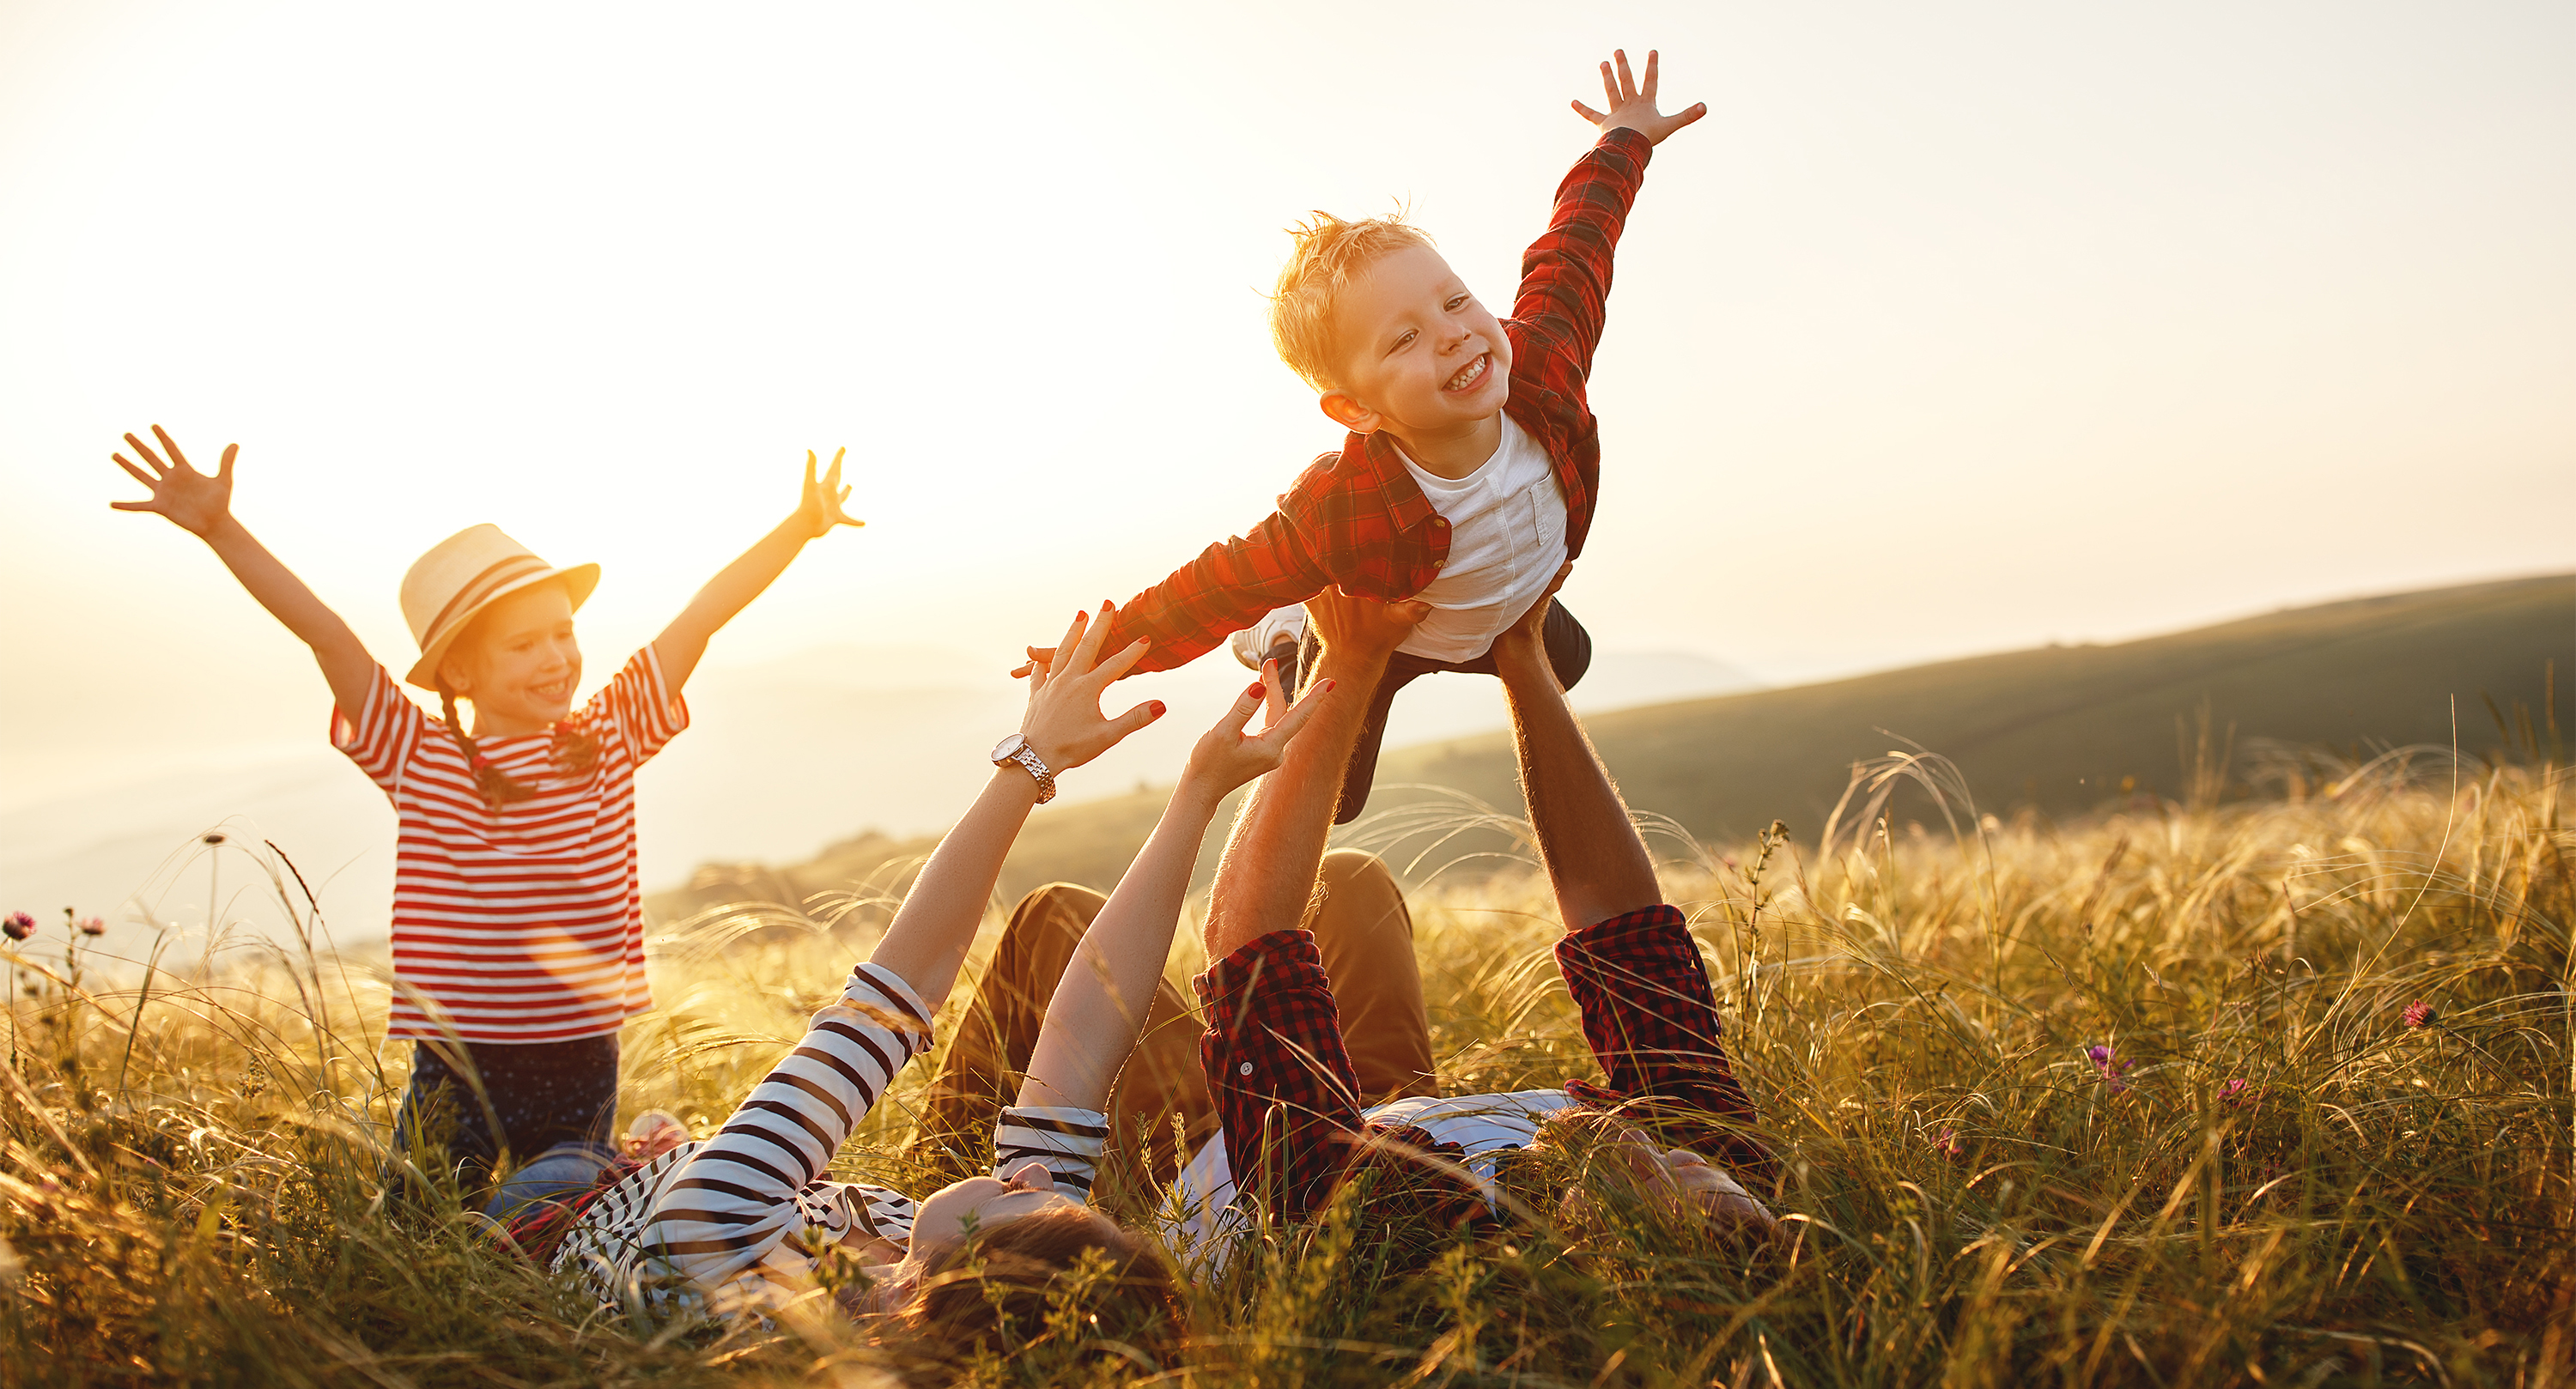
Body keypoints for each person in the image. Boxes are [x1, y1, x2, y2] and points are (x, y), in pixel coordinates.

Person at [529, 605, 1326, 1362]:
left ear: (970, 1280)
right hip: (679, 1164)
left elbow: (888, 999)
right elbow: (1084, 1030)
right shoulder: (923, 1262)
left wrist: (1031, 758)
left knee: (544, 1157)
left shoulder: (716, 1249)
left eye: (1028, 1204)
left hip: (565, 1197)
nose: (1041, 1177)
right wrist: (1196, 795)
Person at [106, 426, 860, 1217]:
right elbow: (328, 637)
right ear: (460, 671)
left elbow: (700, 617)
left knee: (559, 1216)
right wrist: (223, 529)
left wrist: (799, 528)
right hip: (456, 1053)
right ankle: (633, 1158)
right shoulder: (419, 755)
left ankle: (625, 1167)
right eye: (523, 644)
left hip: (578, 1052)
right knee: (422, 1218)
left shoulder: (607, 737)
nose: (556, 659)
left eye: (563, 633)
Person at [1024, 49, 1709, 824]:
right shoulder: (1341, 513)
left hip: (1507, 597)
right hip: (1398, 626)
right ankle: (1287, 632)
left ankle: (1490, 619)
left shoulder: (1543, 367)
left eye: (1455, 301)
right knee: (1334, 797)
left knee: (1571, 663)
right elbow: (1216, 586)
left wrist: (1624, 138)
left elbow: (1574, 252)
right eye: (1403, 339)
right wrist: (1094, 661)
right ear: (1356, 411)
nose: (1453, 336)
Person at [1184, 575, 1777, 1249]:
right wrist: (1521, 653)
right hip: (1397, 1113)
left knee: (1062, 925)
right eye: (1739, 1194)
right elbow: (1622, 929)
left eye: (1668, 1177)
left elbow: (1243, 944)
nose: (1685, 1156)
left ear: (1622, 1253)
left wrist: (1348, 663)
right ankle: (1319, 659)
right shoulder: (1721, 1161)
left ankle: (1304, 663)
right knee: (1351, 882)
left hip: (1210, 1154)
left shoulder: (1438, 1247)